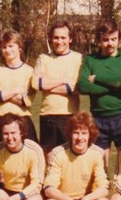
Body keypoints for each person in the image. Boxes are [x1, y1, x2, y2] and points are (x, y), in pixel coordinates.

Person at [42, 112, 109, 200]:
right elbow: (48, 188)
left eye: (84, 133)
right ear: (70, 134)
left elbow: (104, 188)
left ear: (90, 135)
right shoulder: (58, 153)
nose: (80, 138)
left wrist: (86, 199)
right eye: (76, 133)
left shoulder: (97, 153)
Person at [78, 20, 121, 165]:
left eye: (113, 39)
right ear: (99, 40)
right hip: (98, 117)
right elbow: (83, 86)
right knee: (99, 161)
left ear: (118, 39)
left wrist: (96, 78)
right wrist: (117, 83)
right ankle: (104, 186)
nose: (110, 43)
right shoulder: (91, 60)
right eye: (105, 40)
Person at [32, 20, 83, 155]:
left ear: (70, 39)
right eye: (56, 37)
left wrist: (47, 85)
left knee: (70, 155)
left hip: (70, 114)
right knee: (49, 155)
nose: (59, 41)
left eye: (63, 37)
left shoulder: (78, 59)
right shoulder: (43, 58)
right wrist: (63, 81)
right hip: (47, 115)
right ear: (51, 38)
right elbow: (36, 84)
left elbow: (75, 87)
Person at [0, 30, 38, 148]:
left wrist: (2, 94)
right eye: (4, 47)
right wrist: (15, 90)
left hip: (23, 121)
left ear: (20, 47)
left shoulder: (30, 71)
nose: (7, 50)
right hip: (0, 121)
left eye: (11, 46)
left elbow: (25, 101)